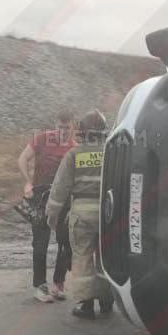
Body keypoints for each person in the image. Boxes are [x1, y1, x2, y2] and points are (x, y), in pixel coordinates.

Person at [47, 109, 114, 319]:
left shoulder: (74, 155)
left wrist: (52, 214)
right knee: (106, 258)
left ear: (82, 132)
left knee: (83, 259)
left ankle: (86, 305)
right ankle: (106, 301)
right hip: (108, 214)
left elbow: (60, 189)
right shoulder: (112, 153)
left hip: (82, 215)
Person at [17, 111, 75, 302]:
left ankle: (59, 284)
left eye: (66, 128)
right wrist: (28, 182)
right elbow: (22, 159)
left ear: (72, 127)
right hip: (40, 198)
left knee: (65, 243)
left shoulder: (74, 147)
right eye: (59, 126)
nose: (62, 131)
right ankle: (40, 286)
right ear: (55, 124)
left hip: (63, 200)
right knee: (40, 244)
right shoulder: (42, 139)